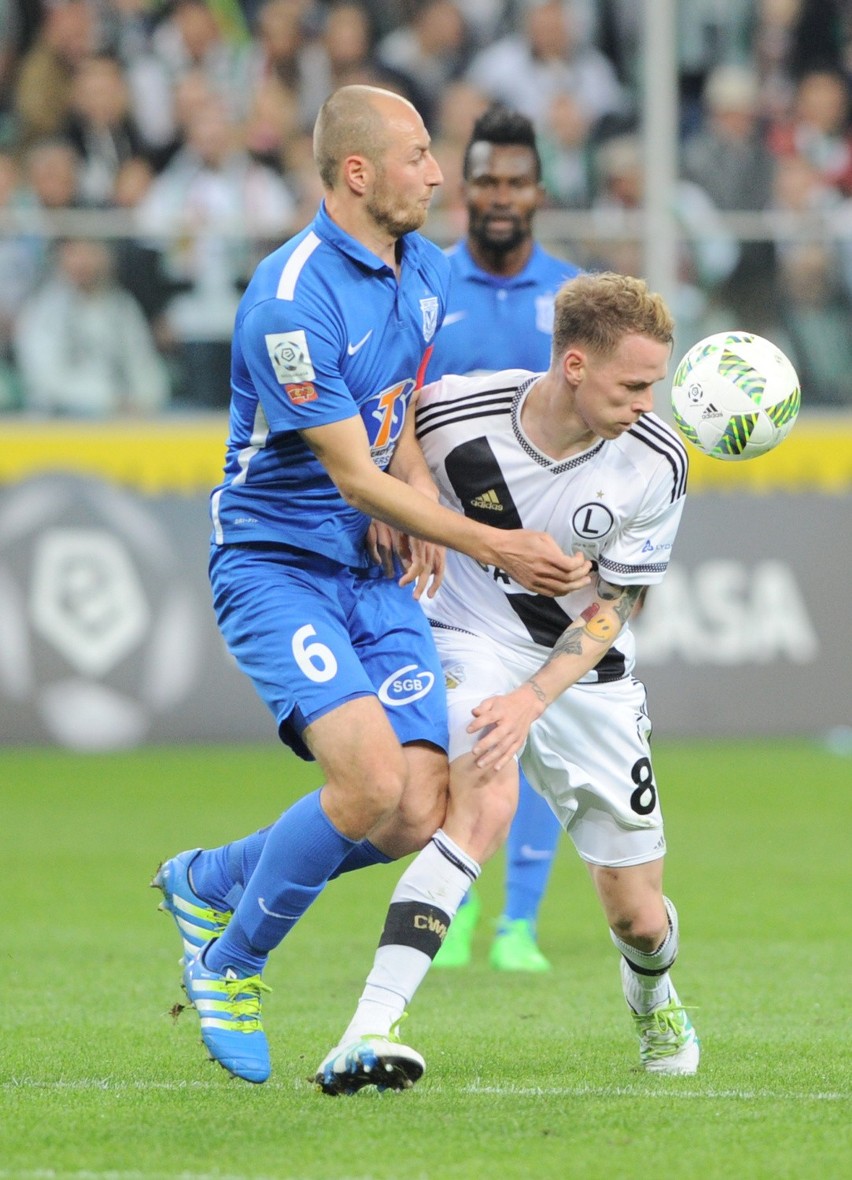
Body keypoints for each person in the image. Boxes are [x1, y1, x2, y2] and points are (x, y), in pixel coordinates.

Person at [152, 84, 589, 1086]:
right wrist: (497, 545)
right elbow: (350, 471)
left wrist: (416, 483)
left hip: (377, 568)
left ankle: (210, 879)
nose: (441, 176)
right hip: (280, 566)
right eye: (421, 155)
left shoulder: (424, 273)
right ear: (359, 173)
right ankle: (232, 961)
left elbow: (394, 434)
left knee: (417, 808)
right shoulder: (288, 301)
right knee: (365, 780)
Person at [314, 270, 700, 1096]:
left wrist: (535, 699)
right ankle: (370, 1027)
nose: (647, 401)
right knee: (483, 799)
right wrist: (403, 494)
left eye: (654, 384)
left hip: (579, 668)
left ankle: (655, 993)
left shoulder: (657, 462)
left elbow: (616, 607)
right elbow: (390, 429)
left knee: (637, 913)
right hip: (468, 636)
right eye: (632, 384)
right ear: (573, 366)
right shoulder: (461, 407)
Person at [424, 102, 582, 974]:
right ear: (464, 188)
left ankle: (518, 921)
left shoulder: (574, 300)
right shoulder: (426, 287)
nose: (499, 196)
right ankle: (459, 896)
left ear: (539, 194)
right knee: (451, 728)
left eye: (516, 182)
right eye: (485, 179)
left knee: (532, 733)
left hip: (539, 563)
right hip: (439, 554)